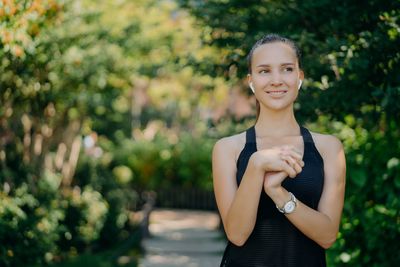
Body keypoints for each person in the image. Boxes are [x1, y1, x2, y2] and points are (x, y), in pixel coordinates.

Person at [212, 34, 346, 267]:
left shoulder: (329, 148)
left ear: (299, 77)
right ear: (251, 81)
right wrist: (256, 165)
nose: (276, 80)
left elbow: (328, 236)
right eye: (264, 71)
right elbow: (237, 234)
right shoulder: (228, 149)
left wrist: (278, 193)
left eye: (286, 69)